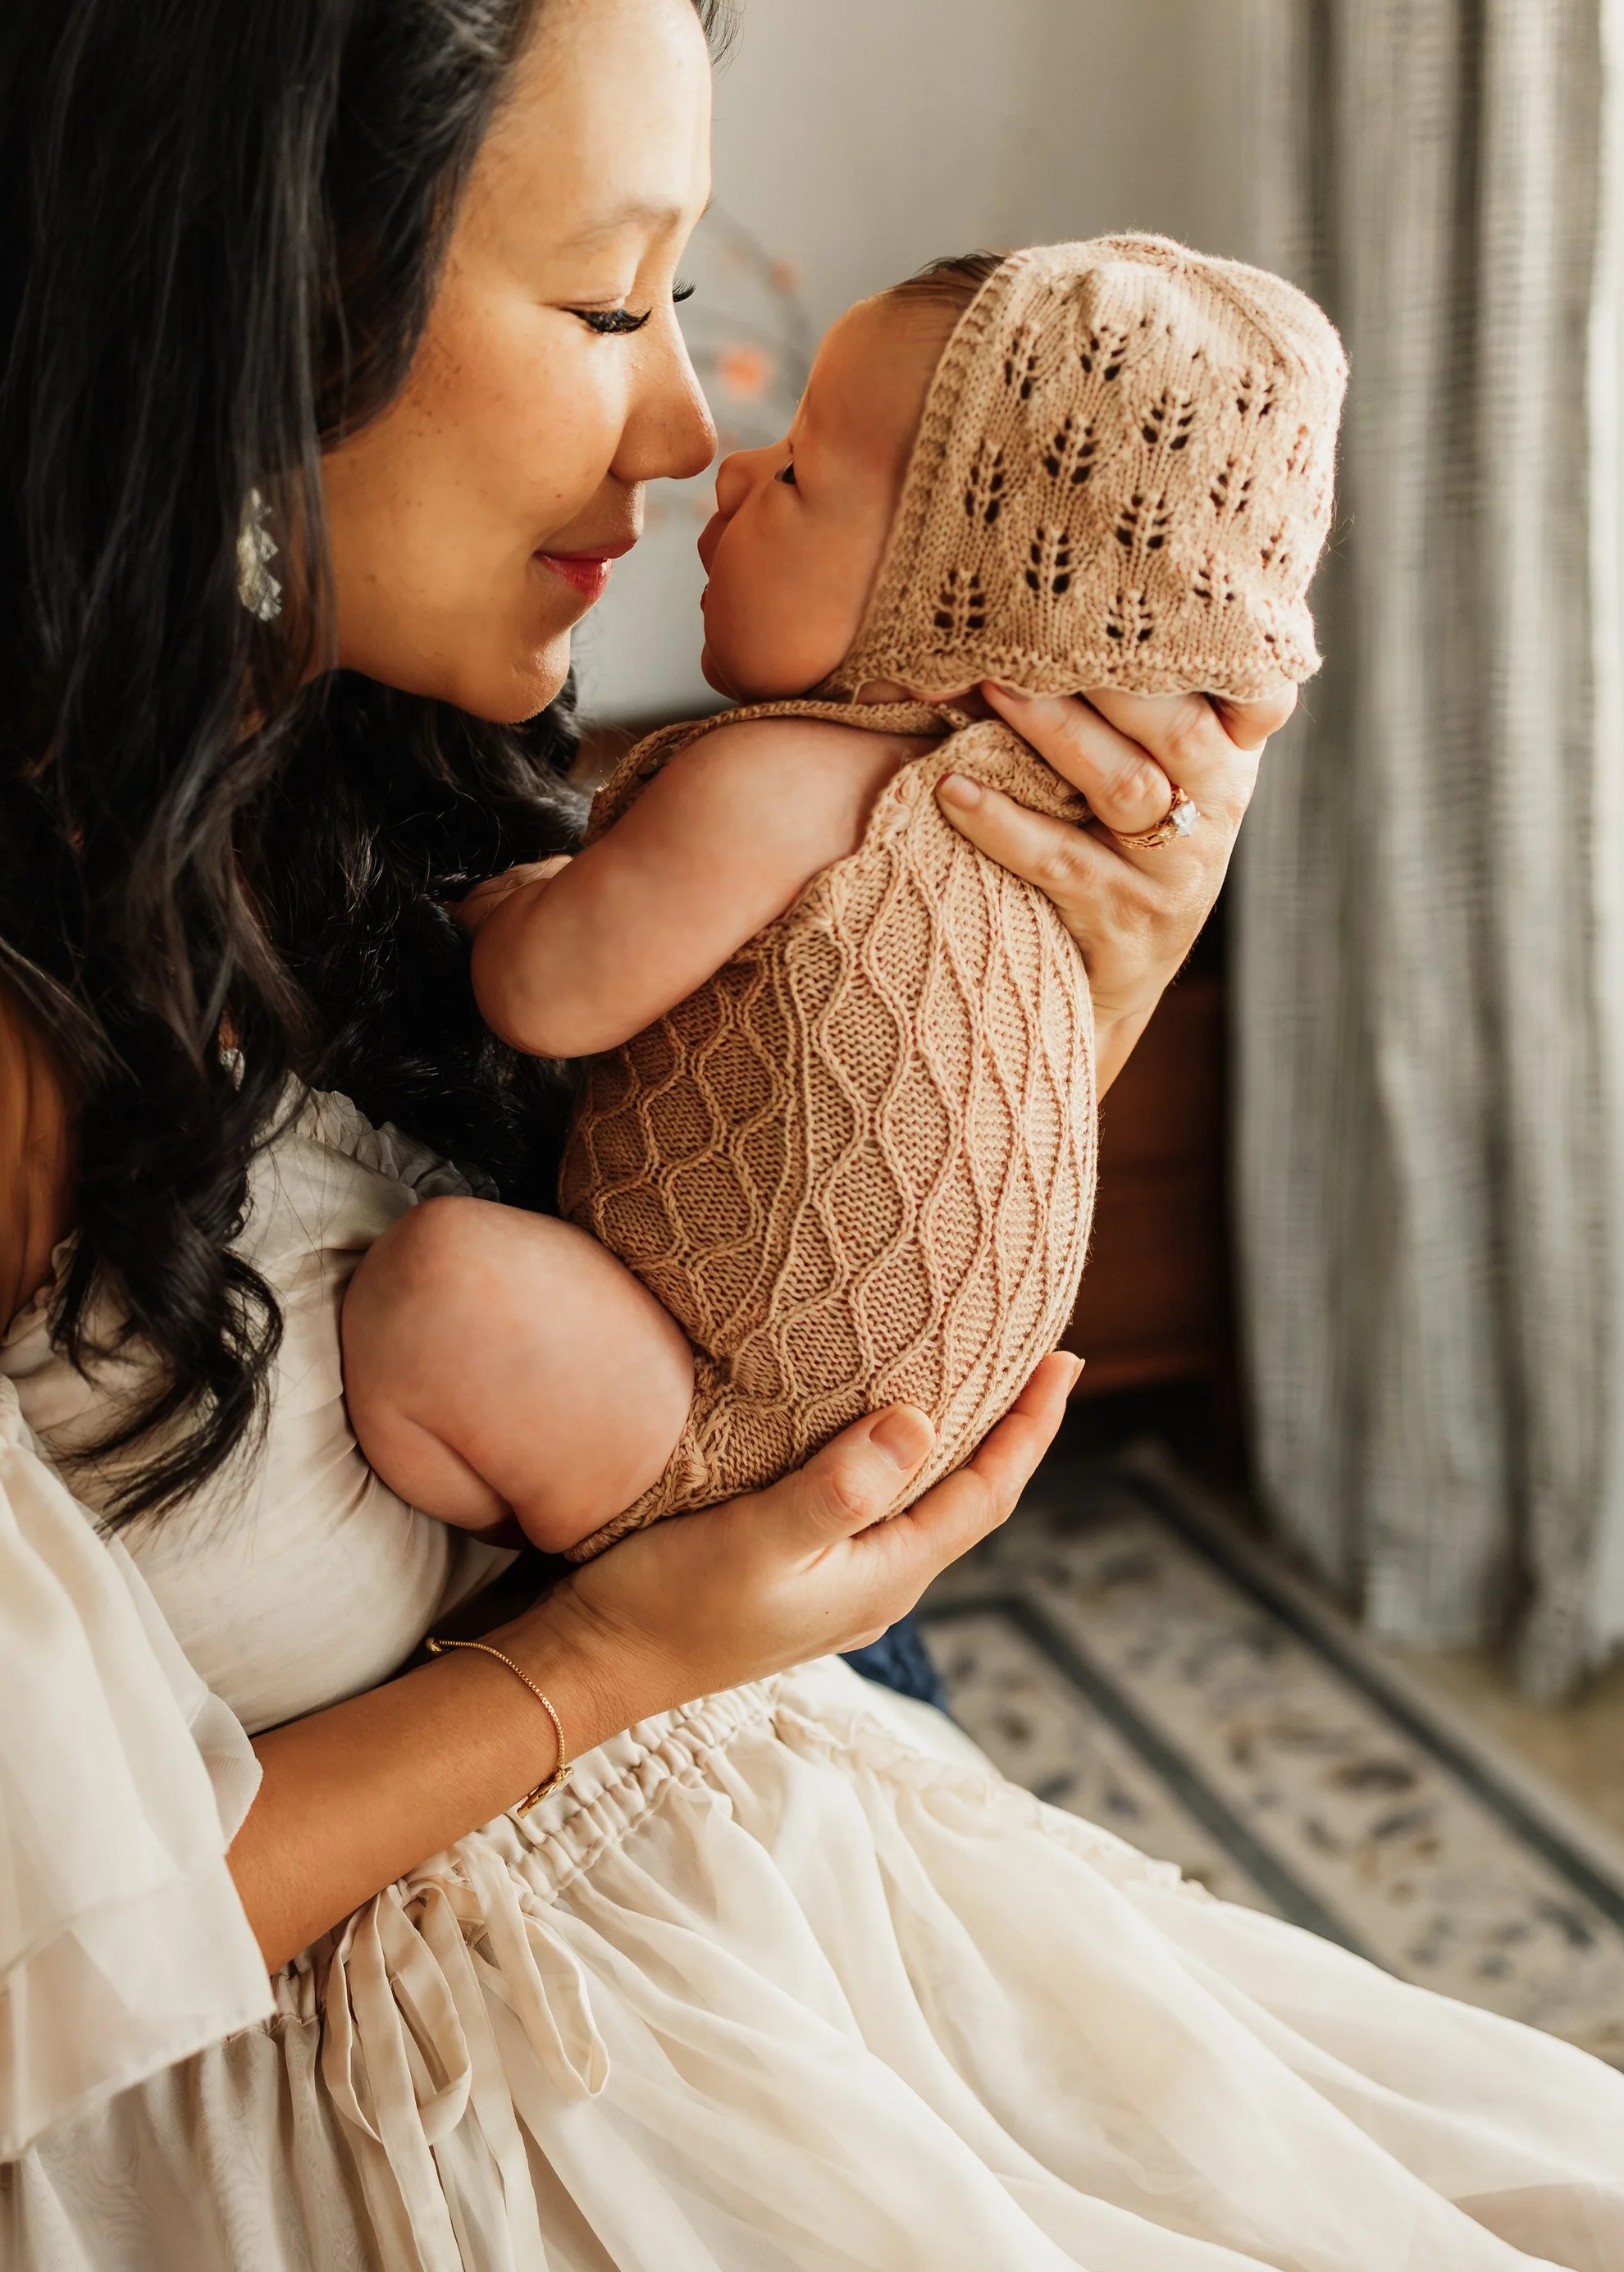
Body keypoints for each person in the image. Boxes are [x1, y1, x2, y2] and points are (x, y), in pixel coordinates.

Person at [0, 0, 1619, 2272]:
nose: (685, 429)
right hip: (291, 2240)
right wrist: (612, 1666)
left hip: (740, 1954)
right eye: (606, 300)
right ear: (238, 309)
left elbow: (742, 1304)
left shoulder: (344, 766)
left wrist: (1051, 966)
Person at [340, 236, 1342, 1562]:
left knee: (432, 1292)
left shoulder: (785, 781)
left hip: (714, 1436)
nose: (730, 462)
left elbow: (538, 993)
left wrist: (518, 900)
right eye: (608, 306)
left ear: (945, 601)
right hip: (896, 1459)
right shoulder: (1030, 847)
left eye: (804, 472)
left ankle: (536, 1544)